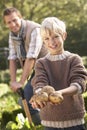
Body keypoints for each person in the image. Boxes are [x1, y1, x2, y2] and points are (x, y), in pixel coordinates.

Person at [30, 17, 87, 130]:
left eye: (55, 36)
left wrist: (59, 93)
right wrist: (39, 97)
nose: (51, 42)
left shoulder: (74, 59)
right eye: (46, 38)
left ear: (64, 36)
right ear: (43, 41)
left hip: (74, 121)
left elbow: (79, 84)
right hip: (49, 122)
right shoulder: (41, 63)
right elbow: (39, 83)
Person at [3, 7, 48, 125]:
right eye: (9, 22)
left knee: (28, 98)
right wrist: (13, 81)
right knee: (26, 100)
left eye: (14, 20)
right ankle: (44, 122)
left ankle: (44, 126)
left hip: (50, 66)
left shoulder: (34, 30)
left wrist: (21, 82)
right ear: (5, 24)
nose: (12, 24)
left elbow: (31, 57)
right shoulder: (13, 35)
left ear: (21, 17)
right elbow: (12, 58)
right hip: (38, 69)